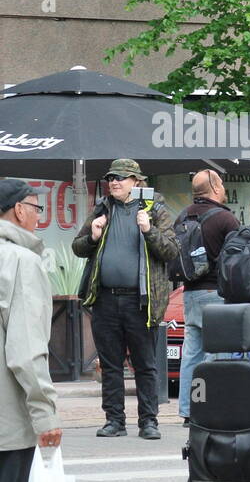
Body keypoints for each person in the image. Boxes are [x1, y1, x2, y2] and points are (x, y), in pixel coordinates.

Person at [72, 159, 179, 441]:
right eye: (111, 177)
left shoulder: (155, 209)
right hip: (105, 300)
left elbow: (171, 251)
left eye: (121, 177)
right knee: (110, 364)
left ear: (136, 181)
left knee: (145, 365)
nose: (114, 182)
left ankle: (148, 421)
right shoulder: (103, 208)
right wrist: (93, 237)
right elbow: (78, 247)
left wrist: (149, 230)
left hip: (141, 302)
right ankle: (114, 420)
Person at [0, 180, 62, 482]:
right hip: (7, 421)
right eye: (36, 207)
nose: (39, 214)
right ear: (18, 211)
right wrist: (45, 414)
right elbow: (25, 351)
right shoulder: (22, 262)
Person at [176, 170, 241, 426]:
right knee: (217, 357)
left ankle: (189, 410)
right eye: (222, 184)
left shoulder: (182, 216)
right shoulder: (226, 219)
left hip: (189, 294)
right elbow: (237, 259)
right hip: (216, 295)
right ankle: (212, 410)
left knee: (191, 355)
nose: (224, 188)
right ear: (214, 187)